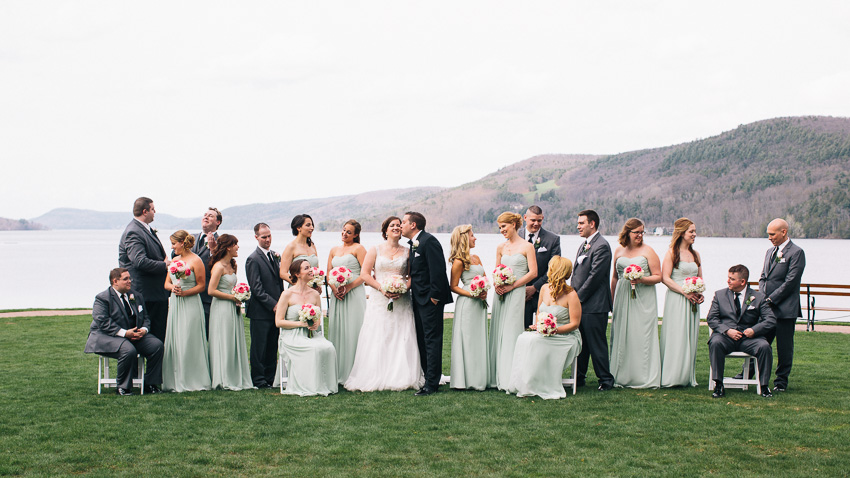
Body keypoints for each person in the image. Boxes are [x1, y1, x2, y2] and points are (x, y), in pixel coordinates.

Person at [344, 216, 425, 392]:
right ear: (385, 230)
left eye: (398, 225)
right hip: (379, 299)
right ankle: (375, 374)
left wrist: (403, 288)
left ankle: (402, 375)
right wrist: (382, 289)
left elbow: (411, 276)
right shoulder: (375, 250)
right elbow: (365, 274)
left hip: (401, 300)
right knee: (379, 333)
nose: (396, 227)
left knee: (401, 333)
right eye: (392, 225)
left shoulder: (408, 251)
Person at [506, 256, 582, 399]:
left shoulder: (571, 295)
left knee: (534, 342)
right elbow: (540, 312)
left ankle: (537, 382)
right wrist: (538, 325)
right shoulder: (544, 288)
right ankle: (525, 381)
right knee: (523, 338)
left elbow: (575, 324)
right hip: (545, 332)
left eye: (550, 267)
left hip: (565, 336)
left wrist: (554, 330)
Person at [84, 268, 164, 395]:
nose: (130, 281)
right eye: (125, 279)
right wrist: (125, 333)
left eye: (130, 278)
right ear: (115, 281)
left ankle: (150, 384)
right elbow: (103, 322)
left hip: (134, 335)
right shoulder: (102, 298)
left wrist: (143, 330)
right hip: (106, 336)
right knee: (128, 350)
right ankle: (123, 387)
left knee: (157, 346)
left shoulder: (136, 295)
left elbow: (146, 318)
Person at [402, 211, 452, 396]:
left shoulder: (428, 241)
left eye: (404, 222)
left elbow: (438, 270)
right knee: (423, 340)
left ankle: (432, 384)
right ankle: (427, 378)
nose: (401, 225)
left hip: (430, 301)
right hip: (418, 299)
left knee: (431, 341)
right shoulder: (415, 244)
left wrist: (435, 297)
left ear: (413, 225)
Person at [707, 264, 776, 398]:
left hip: (749, 339)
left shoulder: (758, 297)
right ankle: (719, 385)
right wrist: (727, 331)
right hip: (726, 338)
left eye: (732, 279)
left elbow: (770, 320)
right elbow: (712, 318)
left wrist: (754, 330)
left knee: (764, 346)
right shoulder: (720, 295)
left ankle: (764, 386)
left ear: (742, 282)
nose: (728, 281)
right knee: (715, 343)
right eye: (728, 278)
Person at [487, 212, 538, 391]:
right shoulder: (500, 247)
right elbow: (496, 270)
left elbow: (533, 273)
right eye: (500, 227)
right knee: (499, 329)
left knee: (511, 331)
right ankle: (496, 375)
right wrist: (497, 283)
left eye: (504, 226)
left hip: (516, 293)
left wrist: (513, 286)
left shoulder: (527, 246)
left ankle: (511, 376)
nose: (502, 230)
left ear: (514, 224)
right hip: (500, 294)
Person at [609, 218, 662, 389]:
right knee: (623, 334)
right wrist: (612, 301)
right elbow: (615, 278)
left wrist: (641, 279)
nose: (640, 235)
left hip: (643, 299)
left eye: (642, 232)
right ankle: (621, 374)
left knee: (641, 335)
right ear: (627, 233)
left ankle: (642, 376)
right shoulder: (618, 251)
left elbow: (658, 276)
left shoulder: (649, 251)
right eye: (636, 232)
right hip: (623, 298)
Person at [274, 259, 338, 396]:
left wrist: (315, 324)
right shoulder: (287, 294)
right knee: (314, 348)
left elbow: (318, 319)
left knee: (328, 347)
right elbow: (278, 322)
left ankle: (325, 385)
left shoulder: (315, 294)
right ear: (297, 274)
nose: (311, 270)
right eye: (306, 268)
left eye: (311, 267)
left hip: (310, 334)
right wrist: (299, 324)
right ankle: (309, 385)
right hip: (291, 336)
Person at [759, 218, 805, 392]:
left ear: (783, 232)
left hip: (785, 309)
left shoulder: (797, 252)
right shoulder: (770, 251)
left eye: (772, 234)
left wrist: (771, 299)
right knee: (760, 342)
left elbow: (791, 281)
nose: (770, 238)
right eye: (768, 234)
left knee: (784, 347)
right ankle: (747, 372)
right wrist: (763, 297)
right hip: (767, 307)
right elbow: (763, 276)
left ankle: (781, 382)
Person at [162, 230, 211, 392]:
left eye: (174, 243)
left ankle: (193, 378)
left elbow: (201, 285)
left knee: (190, 338)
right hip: (176, 303)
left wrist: (185, 292)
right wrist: (173, 288)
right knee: (176, 338)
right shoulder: (175, 260)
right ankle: (175, 378)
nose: (172, 247)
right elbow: (167, 283)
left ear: (182, 243)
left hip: (190, 302)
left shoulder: (196, 261)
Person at [571, 209, 615, 391]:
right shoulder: (585, 245)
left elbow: (595, 277)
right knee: (582, 344)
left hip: (595, 305)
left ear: (592, 224)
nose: (578, 226)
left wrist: (577, 298)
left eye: (581, 223)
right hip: (583, 304)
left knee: (597, 344)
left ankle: (605, 380)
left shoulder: (602, 246)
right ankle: (578, 378)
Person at [660, 218, 704, 387]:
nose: (694, 234)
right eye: (691, 231)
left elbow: (700, 277)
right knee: (676, 335)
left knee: (689, 335)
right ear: (681, 233)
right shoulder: (672, 253)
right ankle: (672, 376)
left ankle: (686, 376)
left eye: (694, 231)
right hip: (677, 299)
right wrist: (684, 292)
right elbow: (665, 278)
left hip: (692, 301)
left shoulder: (696, 254)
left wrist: (699, 293)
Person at [118, 197, 170, 341]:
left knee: (160, 336)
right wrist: (165, 265)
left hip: (156, 293)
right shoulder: (134, 231)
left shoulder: (144, 229)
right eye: (153, 209)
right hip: (146, 294)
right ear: (145, 211)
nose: (155, 212)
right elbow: (140, 261)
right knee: (150, 337)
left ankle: (158, 363)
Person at [207, 234, 253, 391]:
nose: (238, 247)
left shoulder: (233, 265)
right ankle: (223, 377)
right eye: (236, 244)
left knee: (234, 339)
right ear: (228, 247)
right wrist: (232, 297)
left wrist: (240, 295)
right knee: (224, 339)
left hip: (233, 307)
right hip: (221, 307)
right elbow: (211, 290)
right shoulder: (218, 267)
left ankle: (236, 375)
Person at [448, 224, 489, 391]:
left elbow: (484, 278)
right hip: (467, 304)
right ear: (464, 238)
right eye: (472, 235)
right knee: (468, 340)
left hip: (480, 304)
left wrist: (485, 290)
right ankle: (464, 379)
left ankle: (479, 377)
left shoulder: (477, 258)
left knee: (478, 339)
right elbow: (453, 286)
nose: (475, 238)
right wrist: (472, 293)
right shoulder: (458, 261)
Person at [326, 220, 367, 384]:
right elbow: (328, 273)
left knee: (353, 329)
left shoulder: (359, 249)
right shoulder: (333, 250)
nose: (344, 234)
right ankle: (337, 370)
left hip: (354, 293)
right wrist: (334, 288)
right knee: (338, 329)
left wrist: (348, 287)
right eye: (343, 230)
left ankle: (354, 370)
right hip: (337, 295)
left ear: (356, 235)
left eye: (349, 232)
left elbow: (365, 274)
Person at [245, 223, 284, 389]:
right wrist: (274, 305)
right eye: (264, 237)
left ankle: (270, 378)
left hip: (276, 310)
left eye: (269, 236)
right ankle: (258, 380)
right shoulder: (252, 259)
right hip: (260, 311)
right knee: (259, 348)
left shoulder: (274, 256)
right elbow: (256, 288)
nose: (267, 240)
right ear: (256, 237)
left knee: (271, 346)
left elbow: (277, 283)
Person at [520, 205, 561, 329]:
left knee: (543, 330)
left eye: (539, 220)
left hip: (543, 293)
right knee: (521, 330)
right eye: (533, 220)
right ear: (525, 218)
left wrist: (535, 287)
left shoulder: (553, 239)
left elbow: (554, 268)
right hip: (520, 293)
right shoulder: (516, 236)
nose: (536, 223)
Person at [191, 207, 222, 334]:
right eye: (205, 215)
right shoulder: (191, 238)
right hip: (190, 294)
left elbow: (222, 265)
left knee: (207, 333)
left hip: (207, 296)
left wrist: (213, 250)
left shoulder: (221, 242)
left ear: (218, 222)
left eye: (210, 216)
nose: (206, 217)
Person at [279, 214, 320, 290]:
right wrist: (300, 285)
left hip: (312, 291)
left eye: (312, 225)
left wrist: (318, 285)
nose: (312, 228)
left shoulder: (312, 245)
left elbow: (317, 269)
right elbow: (283, 273)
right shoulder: (291, 247)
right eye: (308, 225)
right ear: (298, 228)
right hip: (297, 291)